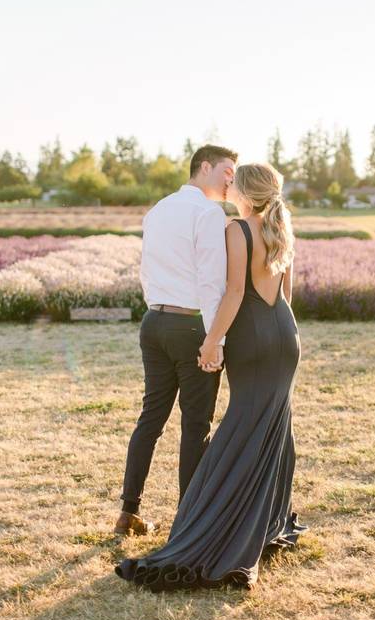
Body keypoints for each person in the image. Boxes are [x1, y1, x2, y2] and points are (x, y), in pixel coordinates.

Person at [115, 162, 306, 590]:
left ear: (243, 191)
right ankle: (267, 518)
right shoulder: (283, 227)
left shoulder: (236, 230)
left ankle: (220, 525)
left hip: (251, 338)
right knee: (274, 426)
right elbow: (286, 294)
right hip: (285, 332)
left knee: (240, 426)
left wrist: (211, 339)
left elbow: (235, 292)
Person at [113, 145, 237, 537]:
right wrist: (214, 338)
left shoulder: (159, 210)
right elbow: (211, 280)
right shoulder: (208, 214)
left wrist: (157, 307)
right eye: (226, 171)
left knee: (150, 419)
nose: (231, 180)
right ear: (204, 167)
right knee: (195, 425)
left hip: (154, 322)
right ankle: (189, 520)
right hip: (190, 326)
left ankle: (128, 511)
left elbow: (147, 271)